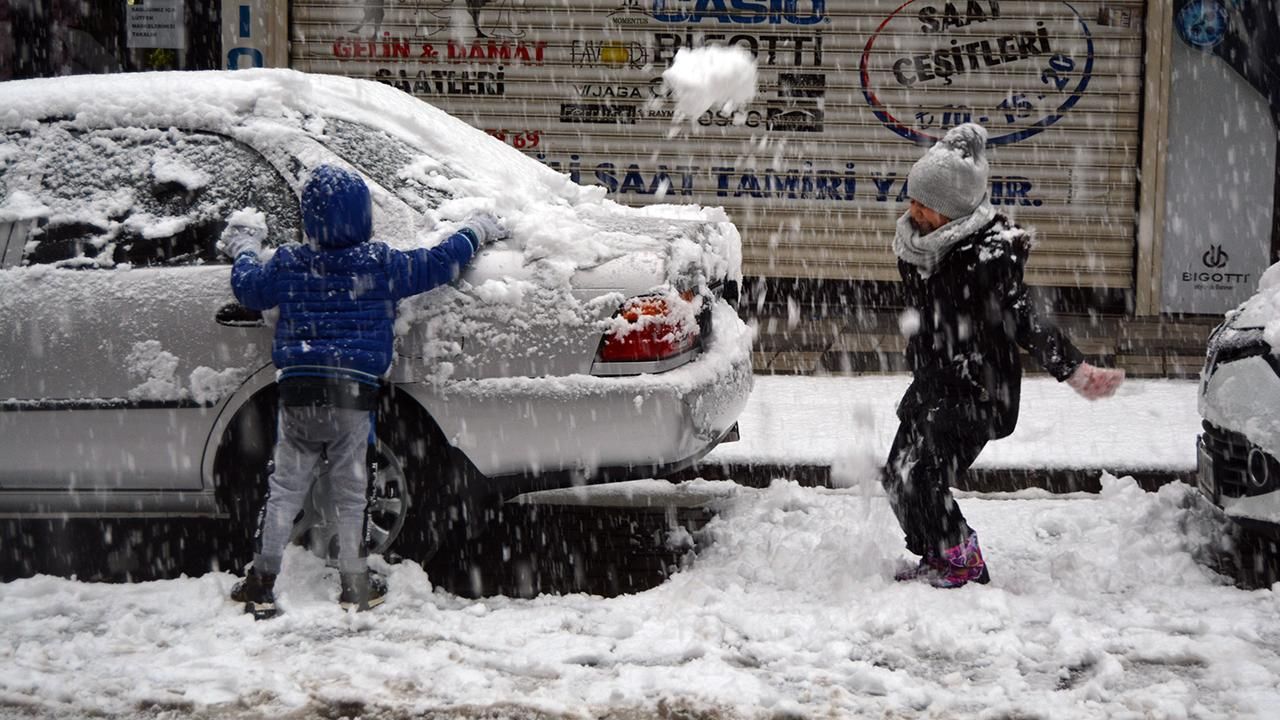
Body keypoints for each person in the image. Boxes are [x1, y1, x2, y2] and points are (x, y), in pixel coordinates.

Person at [221, 164, 507, 617]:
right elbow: (440, 264)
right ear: (364, 217)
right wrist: (475, 230)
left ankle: (261, 578)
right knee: (352, 490)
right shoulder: (380, 263)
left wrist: (245, 247)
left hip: (298, 392)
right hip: (352, 397)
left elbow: (249, 288)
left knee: (284, 489)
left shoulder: (291, 262)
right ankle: (355, 582)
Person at [884, 123, 1124, 589]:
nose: (913, 211)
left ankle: (961, 559)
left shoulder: (987, 259)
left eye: (925, 205)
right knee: (897, 474)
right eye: (912, 199)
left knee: (919, 474)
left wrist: (1072, 368)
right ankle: (938, 552)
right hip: (936, 383)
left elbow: (1026, 319)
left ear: (955, 211)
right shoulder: (920, 245)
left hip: (978, 389)